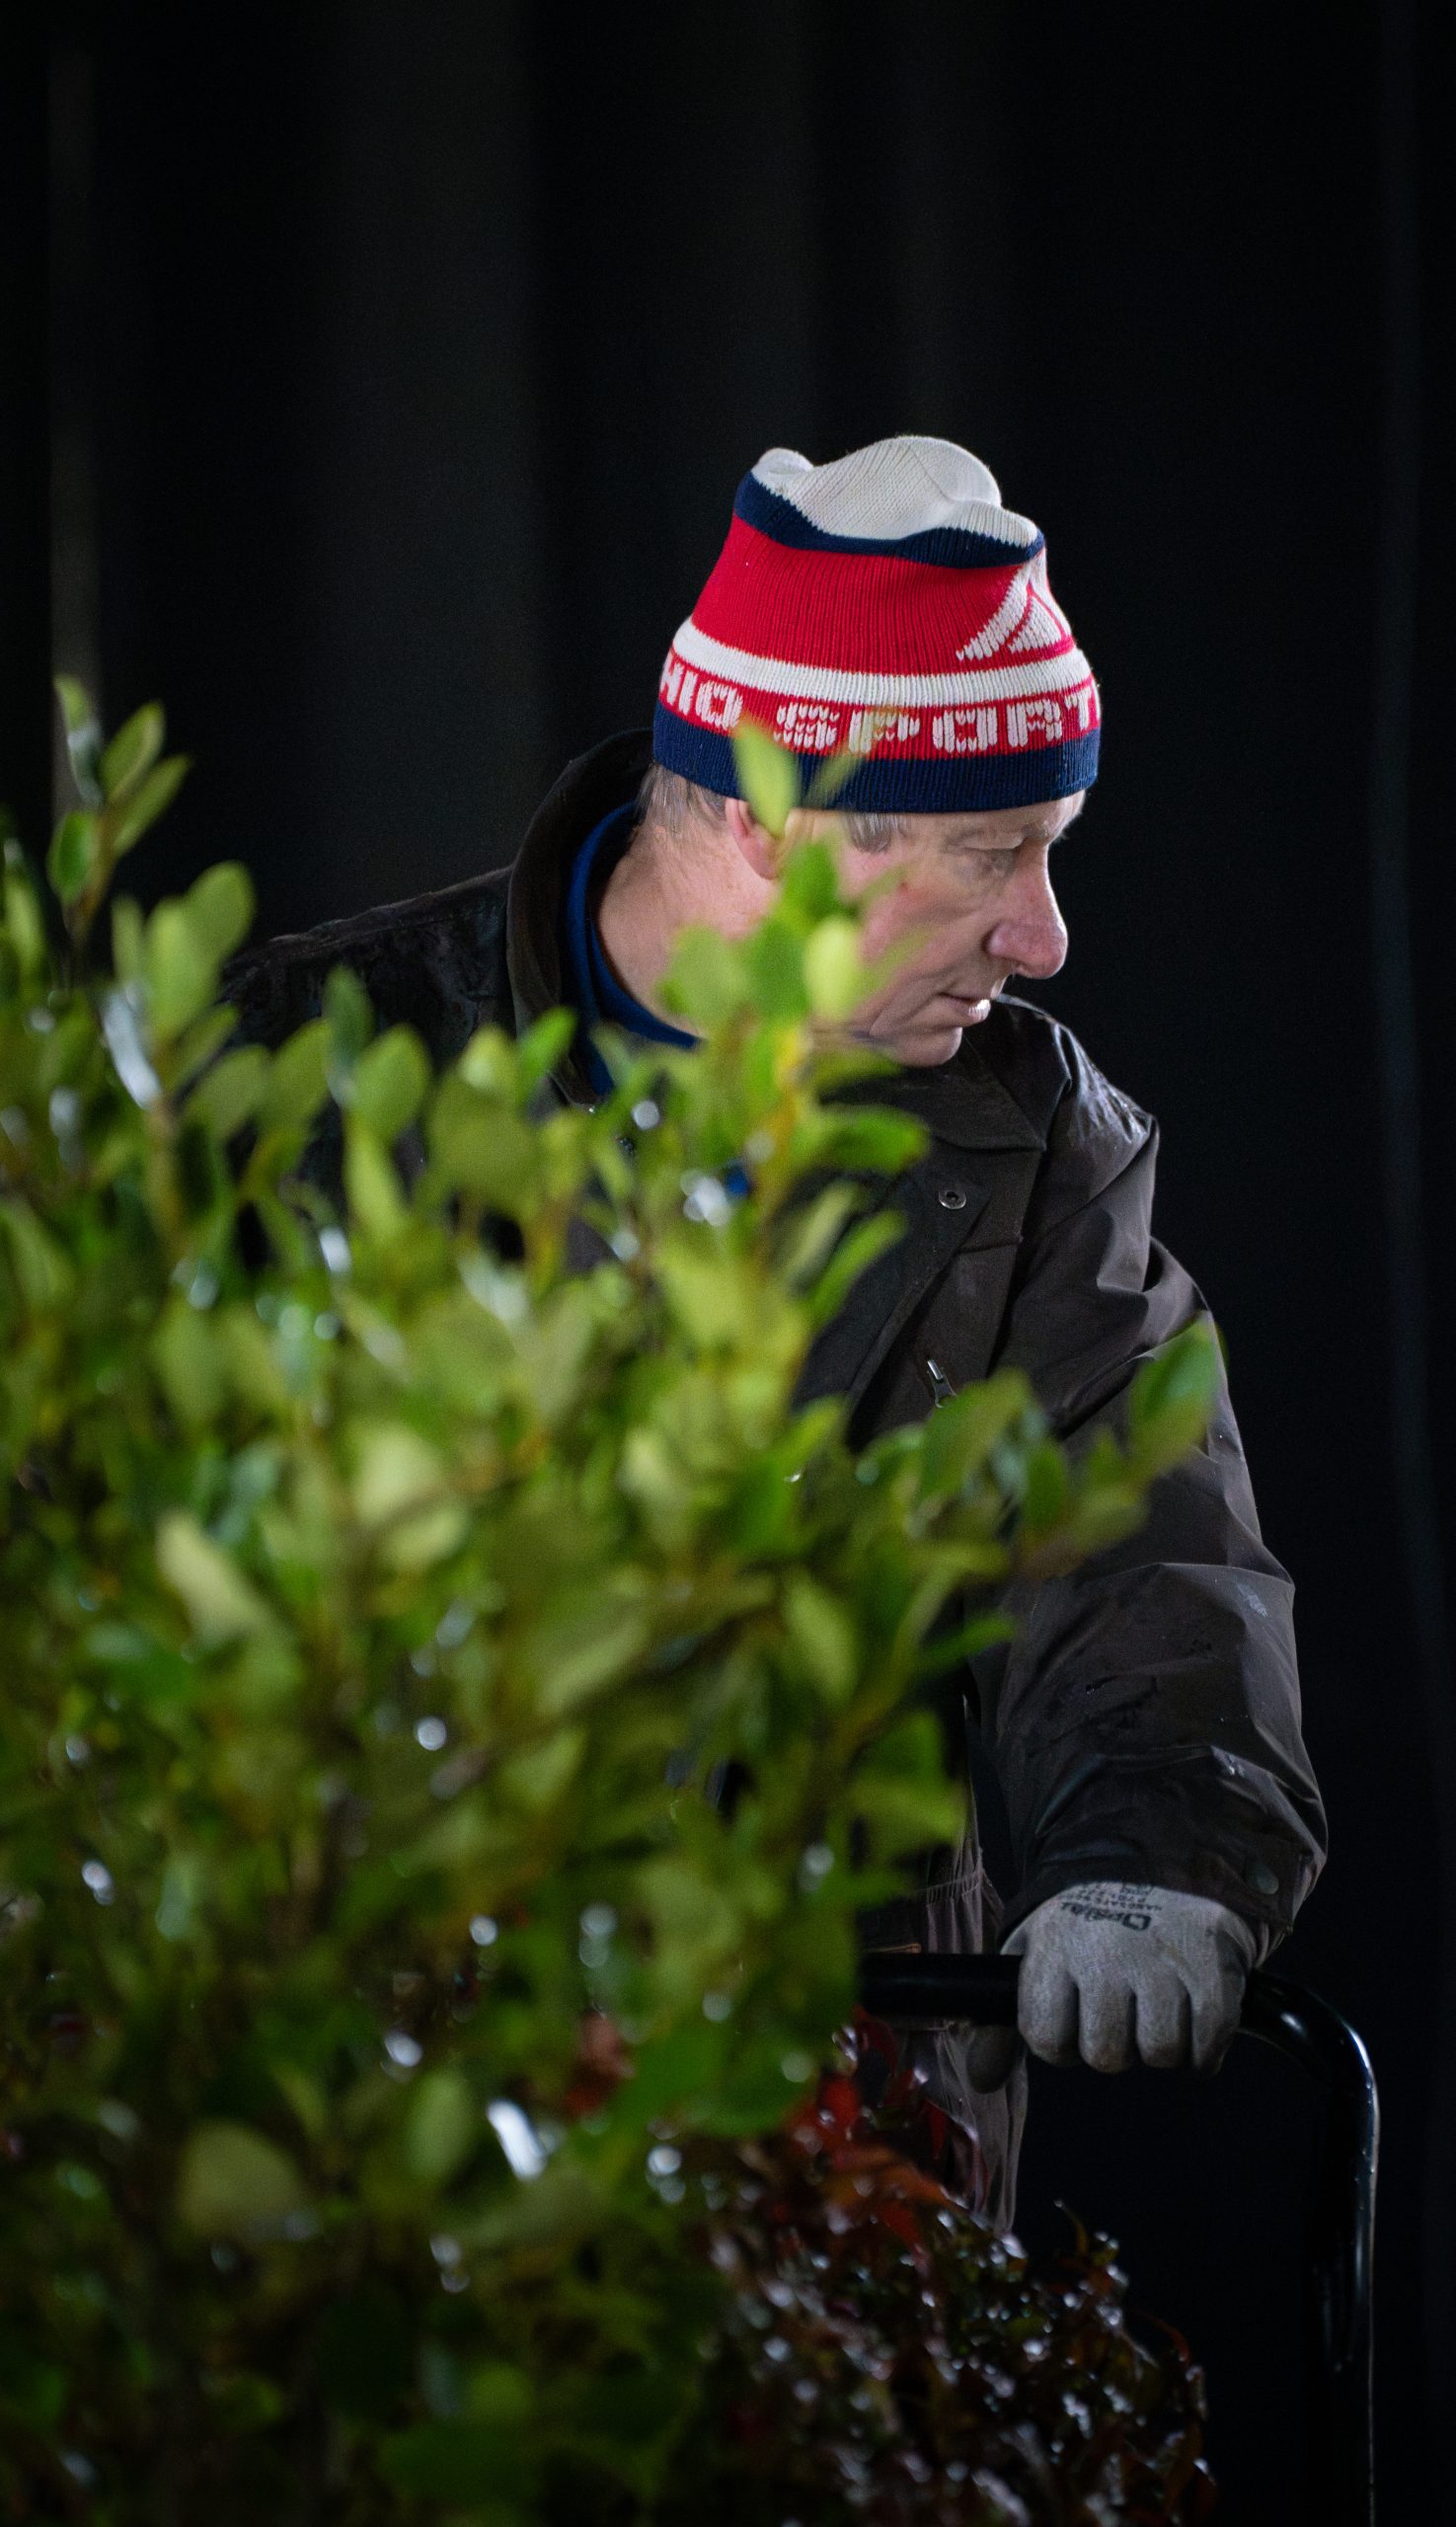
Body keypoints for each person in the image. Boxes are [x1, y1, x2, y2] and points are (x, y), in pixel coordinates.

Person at [229, 434, 1326, 2222]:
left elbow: (1141, 1541)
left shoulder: (1033, 1141)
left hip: (834, 2152)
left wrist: (1162, 1854)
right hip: (343, 2146)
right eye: (997, 856)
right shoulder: (287, 1066)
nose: (1044, 936)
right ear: (764, 817)